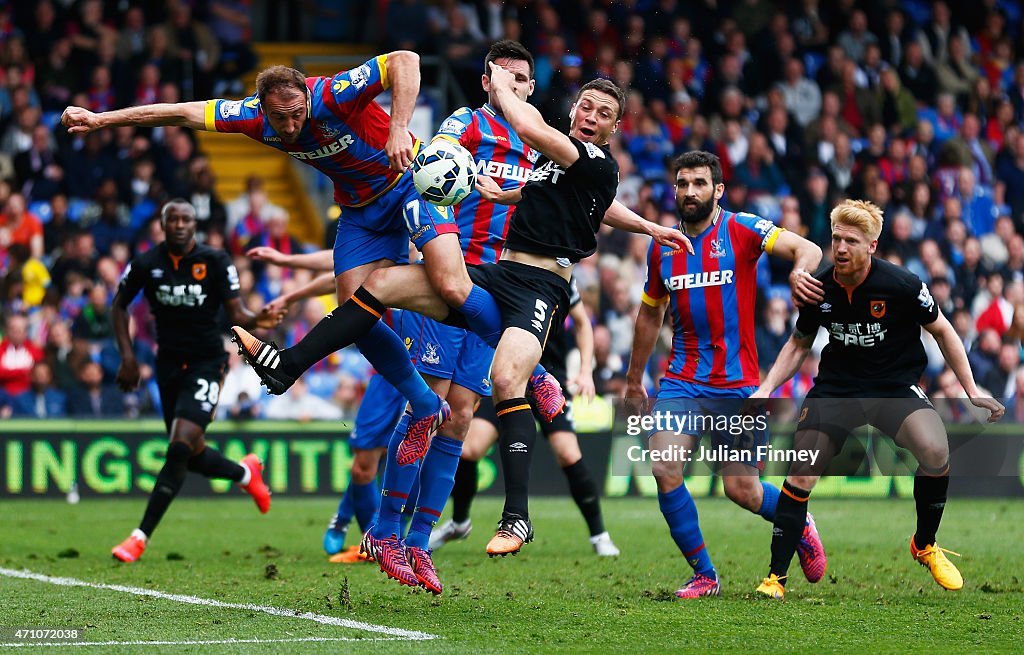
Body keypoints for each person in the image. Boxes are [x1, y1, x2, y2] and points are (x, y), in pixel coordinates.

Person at [231, 67, 688, 572]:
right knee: (381, 289)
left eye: (604, 114)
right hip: (491, 273)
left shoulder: (573, 149)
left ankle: (512, 514)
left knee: (489, 391)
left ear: (613, 128)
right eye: (586, 107)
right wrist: (643, 223)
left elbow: (537, 136)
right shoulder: (510, 142)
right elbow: (582, 201)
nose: (591, 116)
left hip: (540, 288)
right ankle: (288, 366)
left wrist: (502, 89)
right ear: (575, 109)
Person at [61, 50, 456, 449]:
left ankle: (504, 323)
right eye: (278, 117)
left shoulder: (334, 93)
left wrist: (398, 127)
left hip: (409, 181)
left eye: (296, 113)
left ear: (306, 96)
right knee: (356, 315)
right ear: (261, 110)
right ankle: (426, 404)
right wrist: (100, 120)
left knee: (449, 283)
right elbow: (181, 112)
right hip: (359, 211)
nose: (289, 125)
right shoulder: (247, 116)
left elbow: (405, 60)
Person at [751, 199, 1005, 600]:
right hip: (836, 390)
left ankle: (924, 544)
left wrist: (972, 389)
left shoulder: (902, 284)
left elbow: (943, 330)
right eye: (836, 238)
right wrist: (765, 389)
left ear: (872, 245)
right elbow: (799, 343)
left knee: (936, 450)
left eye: (851, 240)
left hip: (893, 387)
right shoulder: (821, 286)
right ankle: (775, 579)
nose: (841, 248)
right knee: (800, 473)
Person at [624, 150, 828, 599]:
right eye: (682, 184)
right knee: (664, 467)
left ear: (717, 190)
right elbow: (648, 315)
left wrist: (798, 271)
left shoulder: (742, 228)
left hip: (739, 385)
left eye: (699, 183)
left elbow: (808, 248)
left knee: (742, 490)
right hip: (682, 380)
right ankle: (705, 575)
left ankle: (798, 518)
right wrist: (635, 377)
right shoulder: (662, 246)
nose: (690, 191)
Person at [109, 199, 281, 563]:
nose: (181, 225)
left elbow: (236, 313)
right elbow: (118, 304)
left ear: (195, 225)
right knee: (190, 451)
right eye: (174, 219)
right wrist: (127, 357)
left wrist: (258, 319)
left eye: (187, 219)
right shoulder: (146, 264)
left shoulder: (216, 261)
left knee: (179, 447)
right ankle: (244, 473)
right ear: (163, 224)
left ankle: (139, 537)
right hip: (167, 365)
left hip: (206, 361)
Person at [431, 276, 620, 557]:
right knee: (469, 449)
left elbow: (582, 324)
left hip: (547, 383)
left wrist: (584, 372)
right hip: (507, 380)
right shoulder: (502, 274)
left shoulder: (560, 277)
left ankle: (599, 535)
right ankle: (459, 523)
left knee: (568, 454)